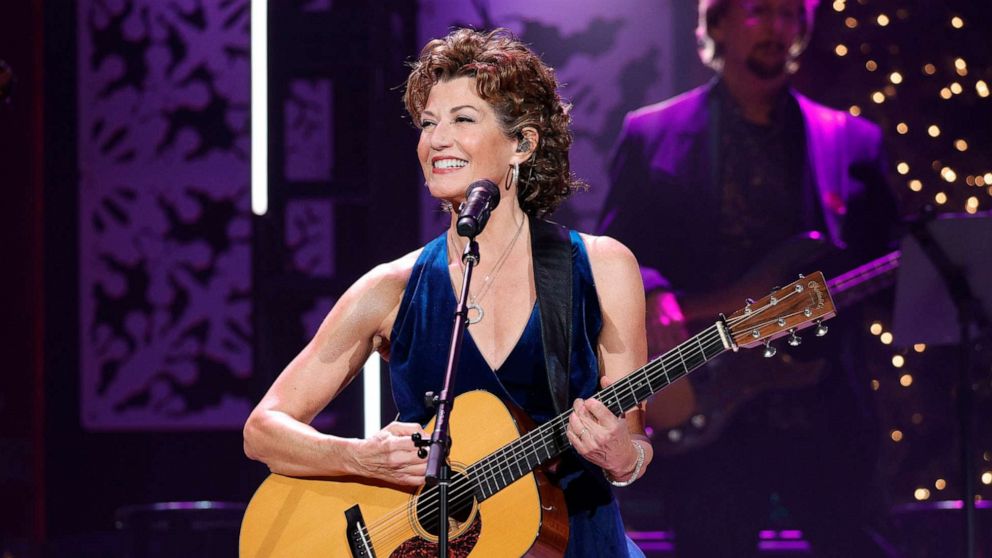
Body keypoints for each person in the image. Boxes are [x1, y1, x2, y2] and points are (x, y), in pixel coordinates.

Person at [244, 28, 652, 557]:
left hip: (575, 542)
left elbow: (634, 439)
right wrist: (361, 457)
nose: (436, 140)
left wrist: (624, 458)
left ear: (522, 144)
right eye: (428, 123)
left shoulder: (601, 266)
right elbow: (264, 431)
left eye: (462, 120)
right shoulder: (391, 287)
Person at [598, 0, 899, 556]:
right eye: (760, 12)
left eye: (790, 15)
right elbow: (612, 252)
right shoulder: (652, 133)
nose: (777, 28)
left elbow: (894, 264)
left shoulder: (851, 140)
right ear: (718, 25)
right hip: (711, 400)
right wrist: (656, 290)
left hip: (822, 401)